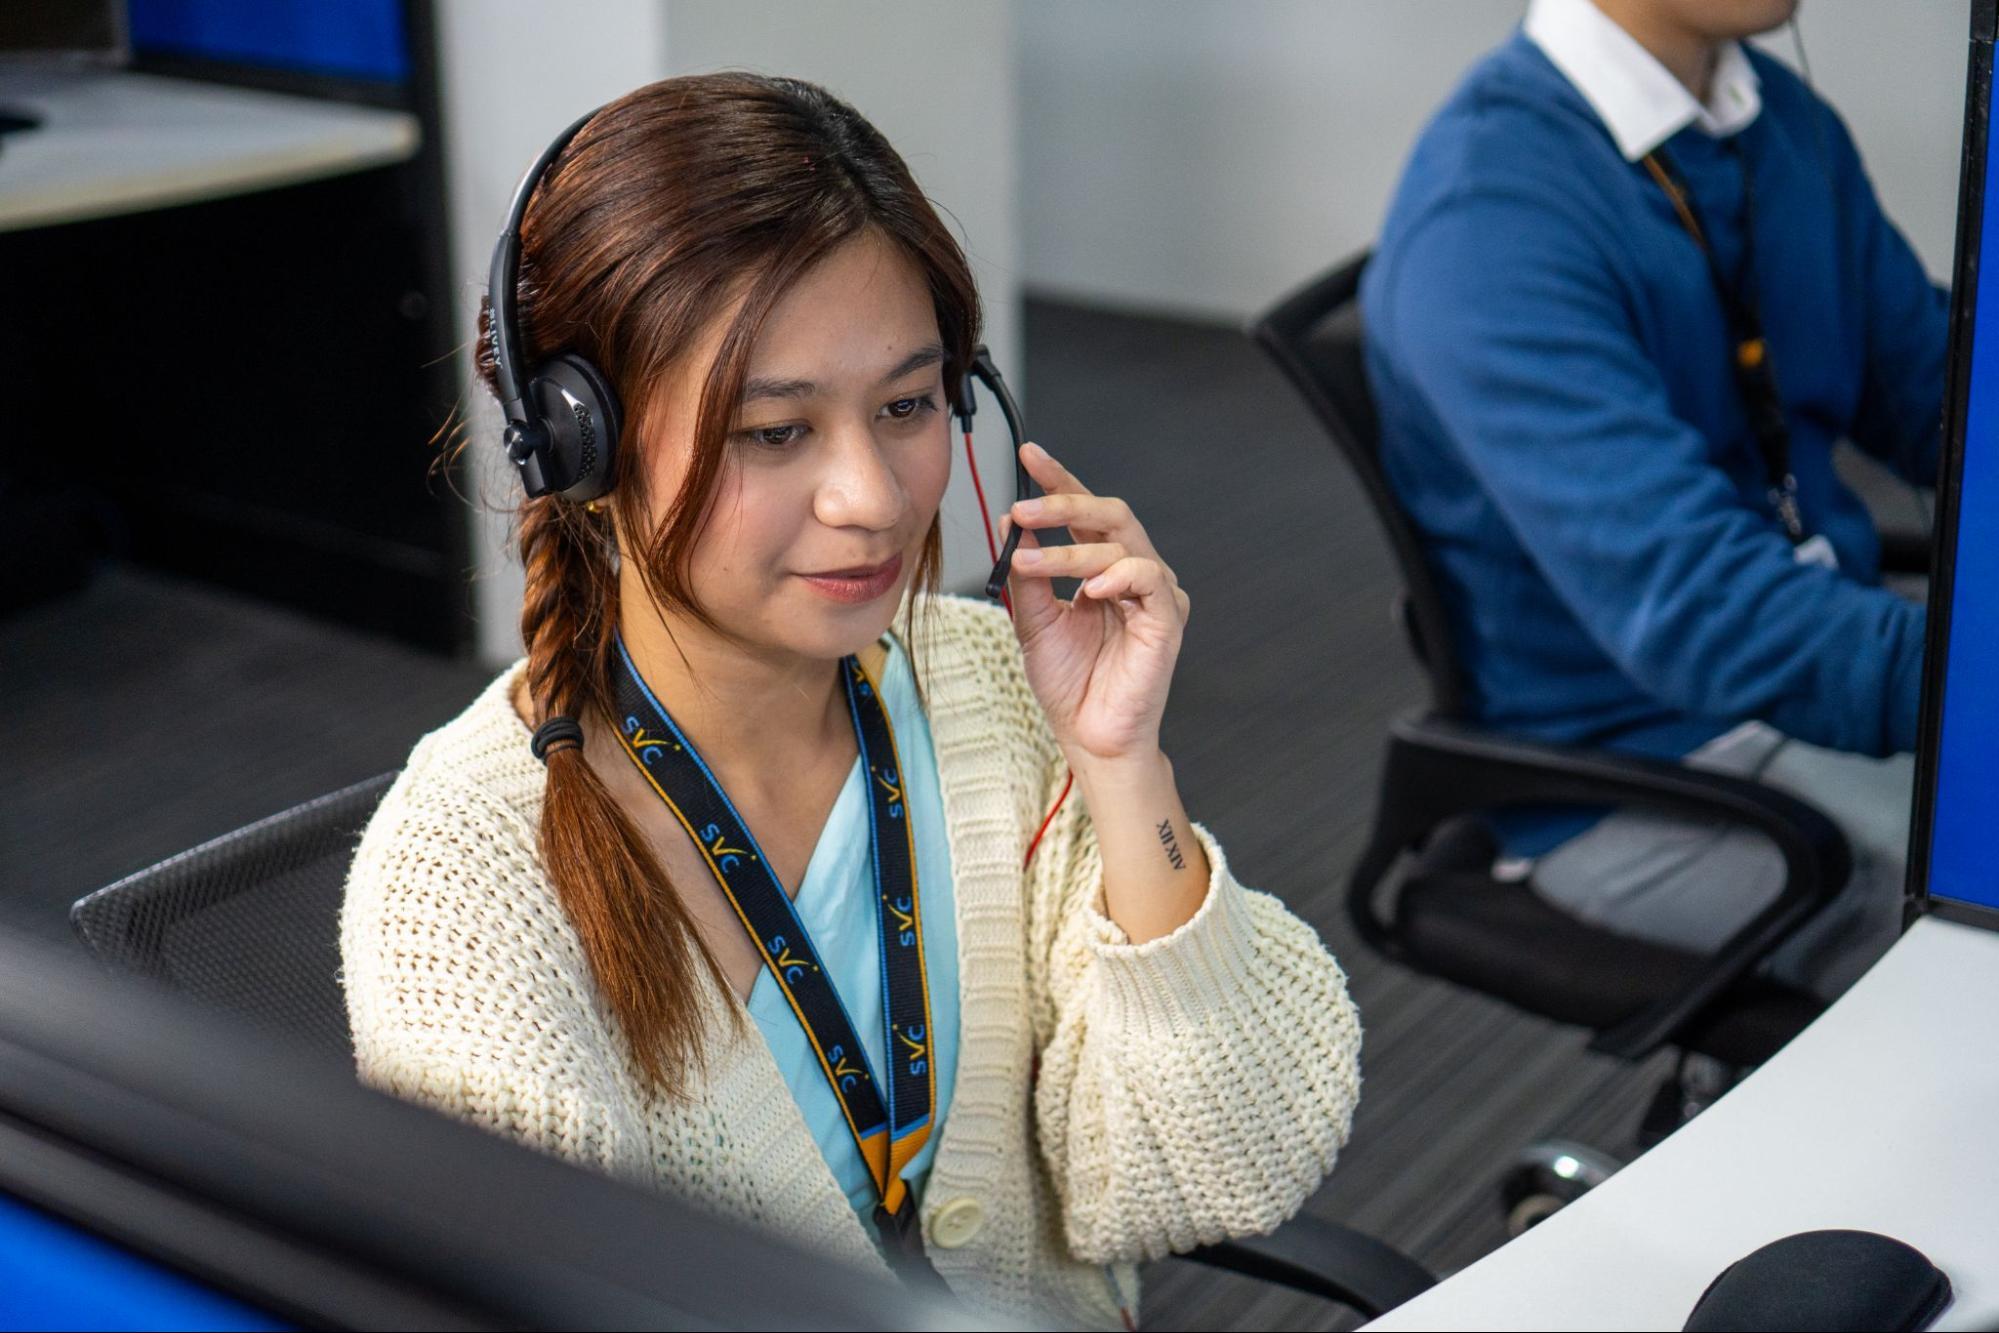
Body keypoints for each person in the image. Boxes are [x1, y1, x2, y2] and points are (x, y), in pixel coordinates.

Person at [340, 74, 1360, 1327]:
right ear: (580, 449)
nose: (871, 497)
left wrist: (1122, 760)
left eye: (906, 406)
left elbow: (1222, 1166)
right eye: (775, 432)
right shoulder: (466, 869)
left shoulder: (985, 685)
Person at [1361, 0, 1943, 999]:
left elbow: (1938, 395)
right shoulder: (1489, 216)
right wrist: (1967, 688)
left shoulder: (1778, 127)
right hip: (1634, 773)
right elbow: (1699, 613)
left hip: (1809, 685)